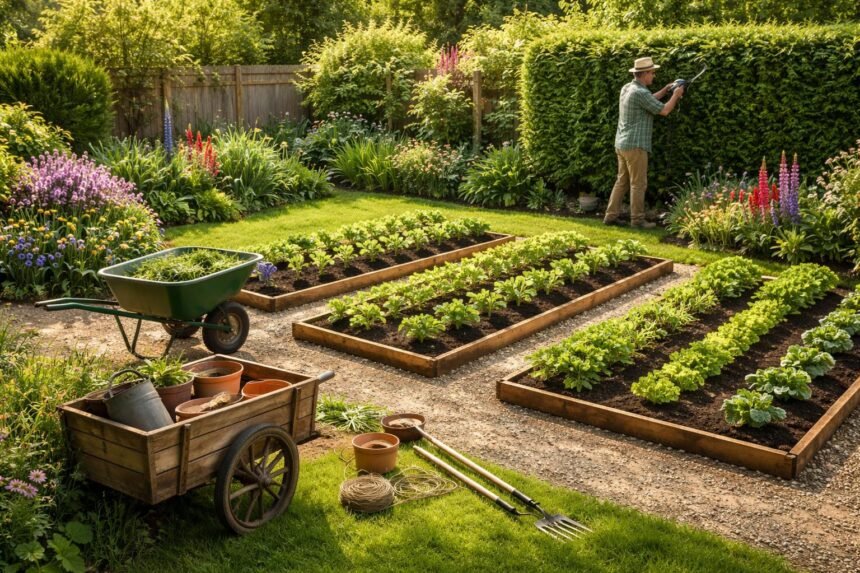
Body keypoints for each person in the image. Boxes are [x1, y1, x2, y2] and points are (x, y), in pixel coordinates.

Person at [604, 57, 684, 228]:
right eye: (652, 73)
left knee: (622, 182)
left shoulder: (628, 88)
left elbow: (648, 100)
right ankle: (638, 220)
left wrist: (664, 90)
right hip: (635, 146)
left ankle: (610, 216)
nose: (654, 76)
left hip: (622, 144)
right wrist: (676, 95)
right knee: (638, 184)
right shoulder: (640, 93)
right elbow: (664, 110)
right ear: (645, 73)